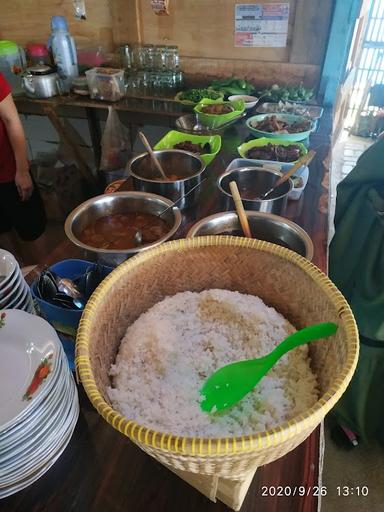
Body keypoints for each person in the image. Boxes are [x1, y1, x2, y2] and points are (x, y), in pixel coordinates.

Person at [0, 72, 47, 264]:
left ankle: (47, 275)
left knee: (31, 228)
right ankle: (18, 276)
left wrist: (22, 171)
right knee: (3, 230)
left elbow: (12, 122)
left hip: (9, 172)